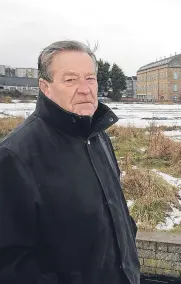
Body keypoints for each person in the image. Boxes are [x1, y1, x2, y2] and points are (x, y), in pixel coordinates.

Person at [0, 40, 140, 284]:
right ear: (45, 87)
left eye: (90, 78)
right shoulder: (15, 155)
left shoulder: (97, 136)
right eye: (70, 80)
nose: (85, 89)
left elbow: (115, 211)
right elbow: (11, 263)